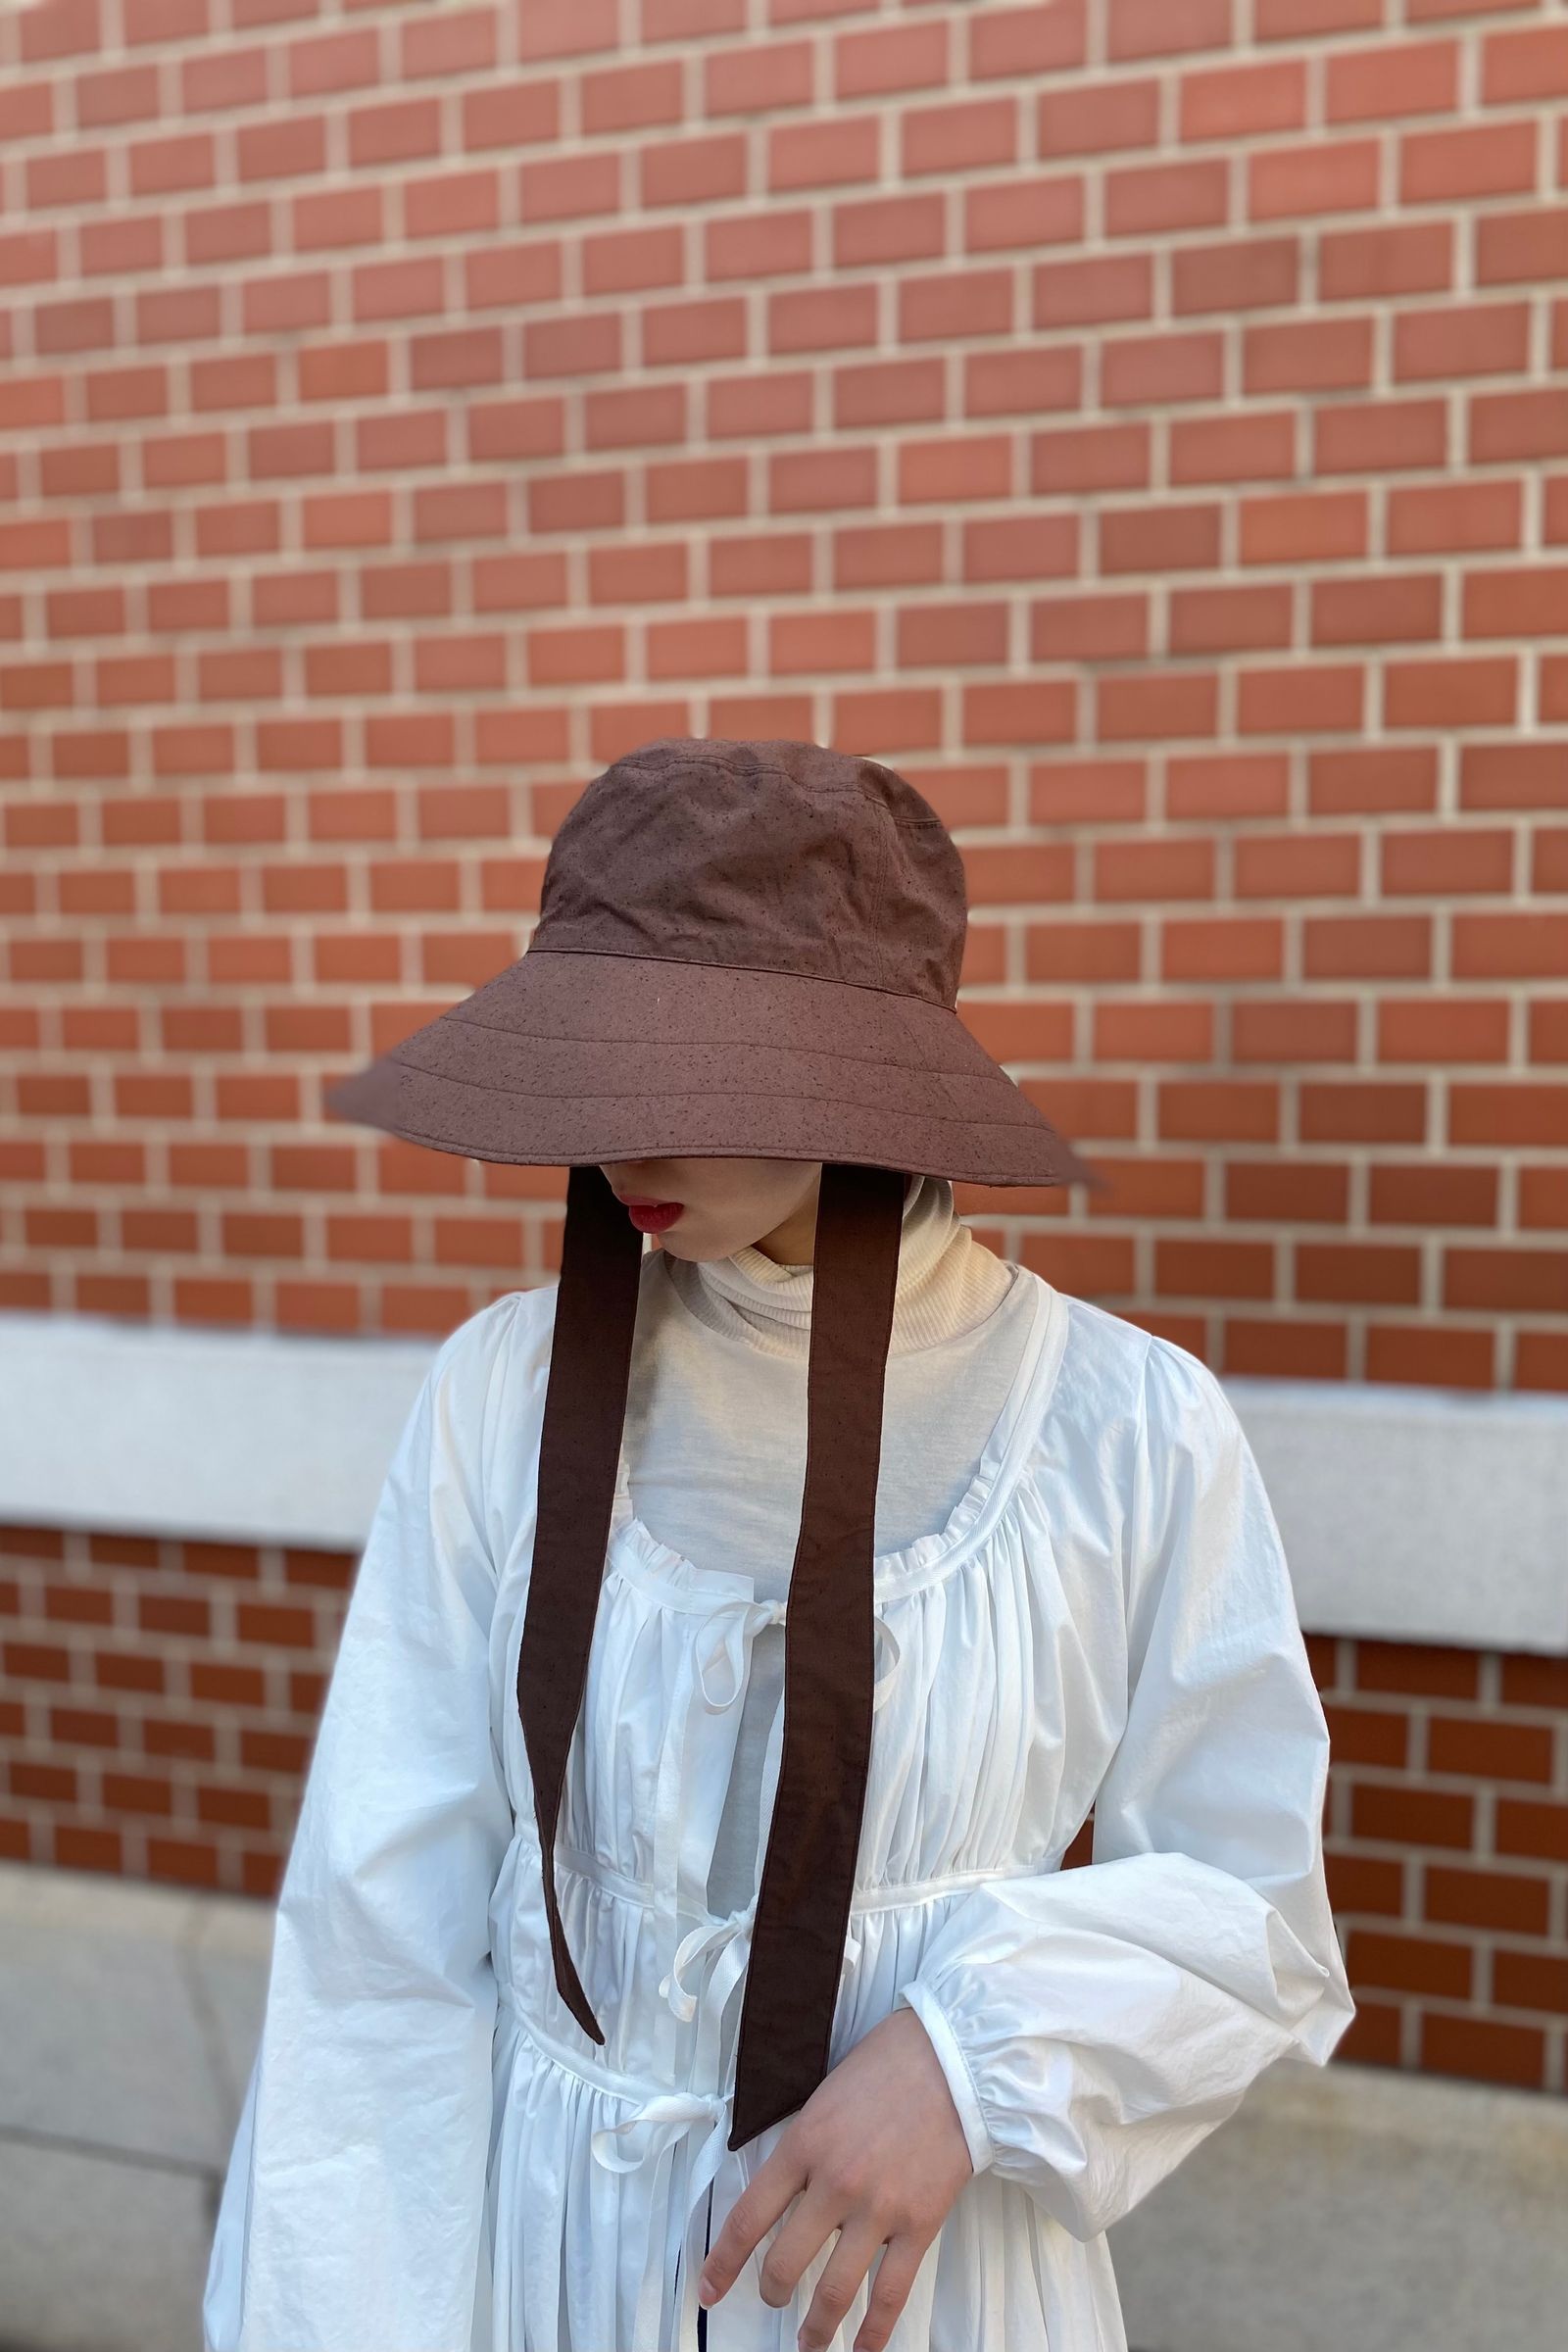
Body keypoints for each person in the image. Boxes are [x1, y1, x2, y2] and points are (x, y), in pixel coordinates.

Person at [202, 738, 1354, 2352]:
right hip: (539, 2280)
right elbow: (376, 1947)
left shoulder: (1127, 1431)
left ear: (848, 1074)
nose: (615, 1140)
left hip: (908, 2297)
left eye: (679, 1069)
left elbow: (1257, 1910)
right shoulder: (501, 1396)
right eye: (591, 1062)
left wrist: (971, 2055)